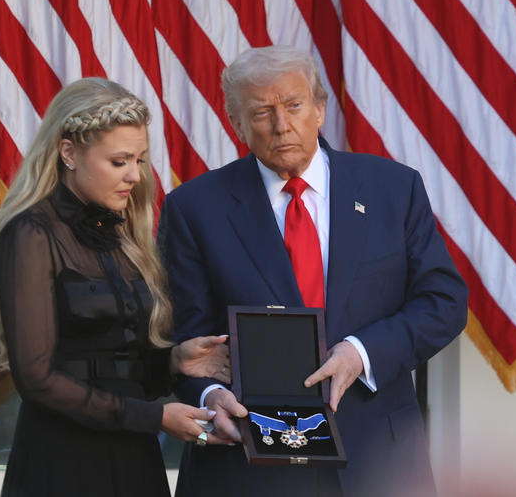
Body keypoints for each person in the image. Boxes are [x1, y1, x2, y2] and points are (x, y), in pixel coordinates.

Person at [158, 46, 469, 497]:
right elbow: (185, 335)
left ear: (320, 109)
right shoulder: (194, 208)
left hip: (377, 460)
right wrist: (208, 397)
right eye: (262, 111)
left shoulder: (393, 189)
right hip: (247, 464)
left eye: (294, 105)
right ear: (238, 125)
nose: (281, 125)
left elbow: (443, 303)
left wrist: (361, 353)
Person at [0, 77, 231, 496]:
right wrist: (155, 419)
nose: (134, 175)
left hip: (134, 457)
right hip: (61, 463)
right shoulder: (31, 234)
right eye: (119, 161)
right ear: (69, 153)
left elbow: (114, 367)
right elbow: (38, 379)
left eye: (140, 160)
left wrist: (173, 362)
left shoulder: (120, 235)